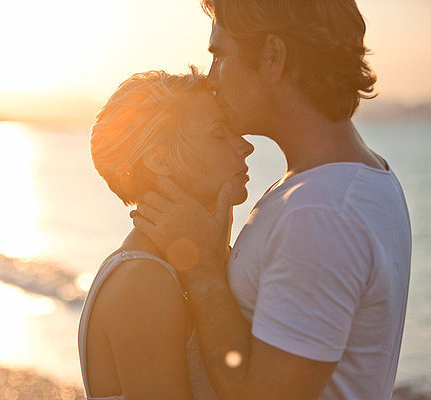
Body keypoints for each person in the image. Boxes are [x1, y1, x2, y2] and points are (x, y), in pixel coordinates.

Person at [131, 1, 412, 399]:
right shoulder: (346, 180)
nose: (211, 79)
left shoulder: (321, 210)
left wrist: (202, 267)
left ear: (272, 57)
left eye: (220, 56)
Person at [78, 67, 254, 399]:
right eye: (219, 133)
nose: (246, 146)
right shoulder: (143, 282)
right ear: (158, 160)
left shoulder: (196, 265)